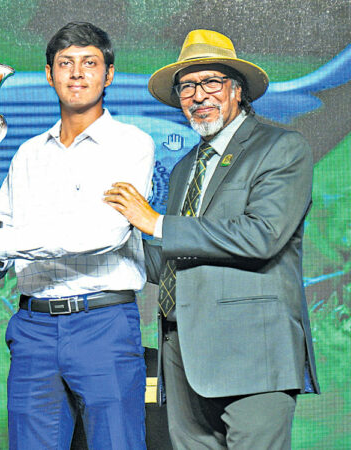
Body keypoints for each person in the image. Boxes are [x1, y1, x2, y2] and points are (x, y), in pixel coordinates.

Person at [0, 22, 154, 449]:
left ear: (109, 74)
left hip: (103, 323)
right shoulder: (28, 154)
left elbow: (105, 230)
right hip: (34, 327)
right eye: (66, 63)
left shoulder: (131, 145)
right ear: (49, 75)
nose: (77, 73)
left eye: (90, 63)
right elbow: (0, 233)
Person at [104, 29, 320, 449]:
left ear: (238, 90)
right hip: (181, 352)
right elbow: (174, 258)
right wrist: (117, 230)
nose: (198, 95)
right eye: (187, 86)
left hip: (252, 354)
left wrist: (156, 223)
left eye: (211, 82)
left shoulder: (281, 147)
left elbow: (263, 236)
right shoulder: (185, 166)